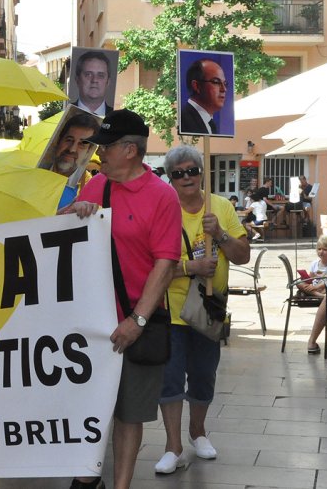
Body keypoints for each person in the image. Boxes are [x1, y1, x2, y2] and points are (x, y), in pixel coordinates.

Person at [66, 109, 181, 489]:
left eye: (107, 147)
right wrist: (73, 211)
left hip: (136, 321)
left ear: (130, 150)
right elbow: (57, 233)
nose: (99, 154)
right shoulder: (98, 185)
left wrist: (138, 320)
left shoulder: (162, 196)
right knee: (90, 407)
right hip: (91, 324)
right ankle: (86, 475)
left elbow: (164, 265)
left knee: (129, 413)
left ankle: (121, 485)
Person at [154, 145, 250, 474]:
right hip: (170, 310)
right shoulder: (162, 208)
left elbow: (242, 256)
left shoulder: (220, 207)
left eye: (192, 171)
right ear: (170, 177)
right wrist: (191, 267)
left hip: (208, 309)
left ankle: (198, 432)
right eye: (178, 173)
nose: (186, 178)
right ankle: (172, 446)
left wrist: (220, 234)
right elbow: (152, 264)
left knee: (203, 376)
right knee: (169, 378)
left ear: (201, 173)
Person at [38, 112, 101, 209]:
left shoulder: (88, 186)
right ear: (58, 140)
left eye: (82, 144)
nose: (72, 149)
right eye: (69, 140)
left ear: (89, 151)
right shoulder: (35, 174)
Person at [304, 236, 327, 355]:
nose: (321, 252)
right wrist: (306, 281)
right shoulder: (314, 263)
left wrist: (316, 287)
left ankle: (318, 294)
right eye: (319, 249)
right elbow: (310, 277)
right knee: (301, 284)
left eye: (325, 249)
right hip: (313, 289)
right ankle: (315, 293)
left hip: (324, 290)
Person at [180, 59, 227, 135]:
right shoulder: (184, 120)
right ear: (197, 86)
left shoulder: (210, 124)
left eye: (225, 83)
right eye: (216, 82)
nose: (224, 89)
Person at [71, 51, 114, 116]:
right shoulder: (62, 116)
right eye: (88, 74)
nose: (94, 80)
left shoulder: (117, 119)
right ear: (77, 80)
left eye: (100, 75)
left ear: (108, 82)